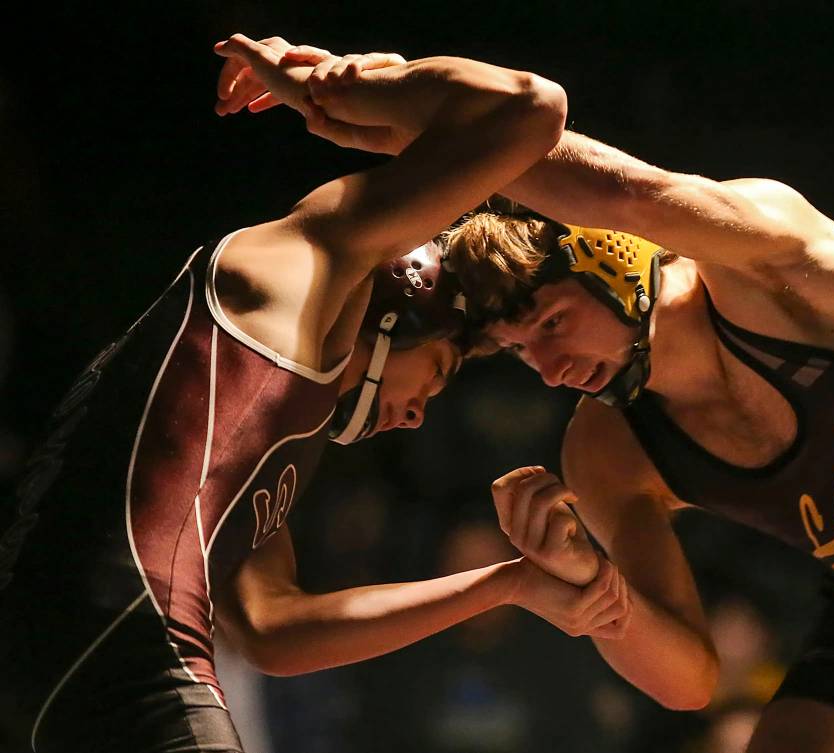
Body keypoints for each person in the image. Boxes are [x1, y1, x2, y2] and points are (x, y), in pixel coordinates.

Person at [0, 36, 633, 753]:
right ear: (400, 308)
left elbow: (273, 630)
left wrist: (505, 585)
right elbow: (530, 105)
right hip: (123, 646)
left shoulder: (260, 430)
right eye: (438, 371)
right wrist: (346, 88)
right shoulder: (302, 262)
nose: (422, 411)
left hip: (55, 675)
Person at [433, 124, 834, 753]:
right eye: (522, 351)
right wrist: (588, 587)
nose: (553, 370)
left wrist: (443, 128)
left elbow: (634, 194)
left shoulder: (763, 274)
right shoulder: (610, 445)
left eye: (555, 323)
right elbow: (687, 681)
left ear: (613, 257)